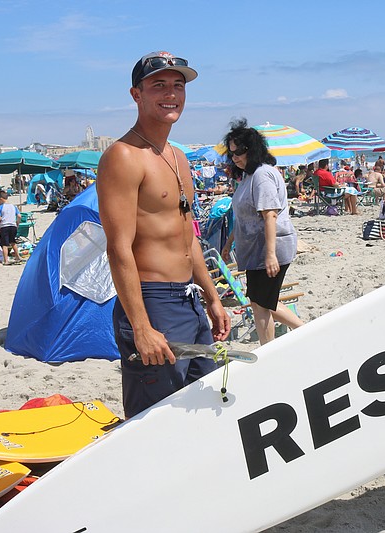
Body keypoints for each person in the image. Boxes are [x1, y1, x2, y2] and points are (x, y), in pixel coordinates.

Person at [97, 50, 231, 419]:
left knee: (204, 406)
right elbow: (118, 248)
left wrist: (212, 297)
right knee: (154, 418)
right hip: (152, 301)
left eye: (178, 85)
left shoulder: (177, 157)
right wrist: (141, 327)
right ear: (136, 94)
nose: (171, 93)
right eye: (159, 85)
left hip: (189, 300)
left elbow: (187, 236)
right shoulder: (123, 156)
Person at [221, 119, 304, 345]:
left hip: (269, 247)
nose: (236, 156)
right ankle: (305, 331)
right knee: (261, 301)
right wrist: (229, 243)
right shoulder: (248, 176)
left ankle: (268, 351)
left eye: (240, 151)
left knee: (261, 304)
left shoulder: (262, 175)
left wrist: (270, 254)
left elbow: (270, 215)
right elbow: (243, 216)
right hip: (255, 249)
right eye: (232, 153)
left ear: (253, 148)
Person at [0, 191, 22, 265]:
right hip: (13, 225)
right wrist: (17, 223)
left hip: (4, 226)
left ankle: (6, 260)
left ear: (1, 199)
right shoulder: (13, 206)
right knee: (13, 242)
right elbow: (19, 216)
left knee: (5, 244)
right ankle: (18, 257)